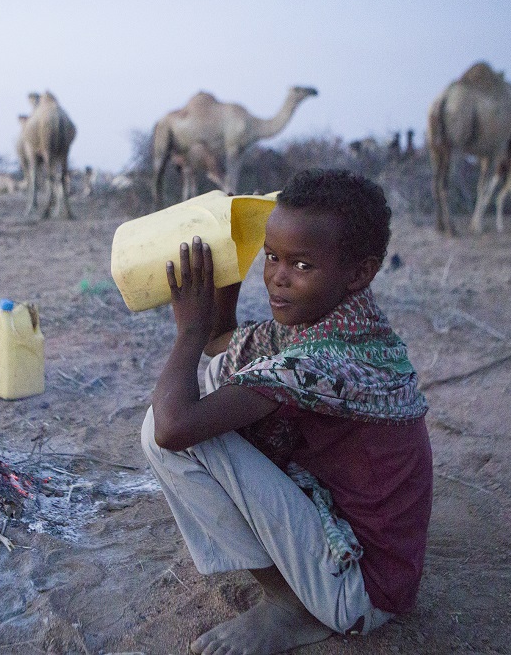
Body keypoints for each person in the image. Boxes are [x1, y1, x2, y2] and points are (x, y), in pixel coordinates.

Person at [141, 169, 432, 654]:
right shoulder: (345, 323)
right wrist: (226, 274)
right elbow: (225, 344)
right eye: (272, 257)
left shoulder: (321, 360)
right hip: (369, 557)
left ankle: (289, 605)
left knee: (161, 428)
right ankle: (298, 588)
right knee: (216, 381)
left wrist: (186, 334)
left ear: (360, 272)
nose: (277, 276)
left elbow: (174, 427)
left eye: (301, 265)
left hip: (359, 591)